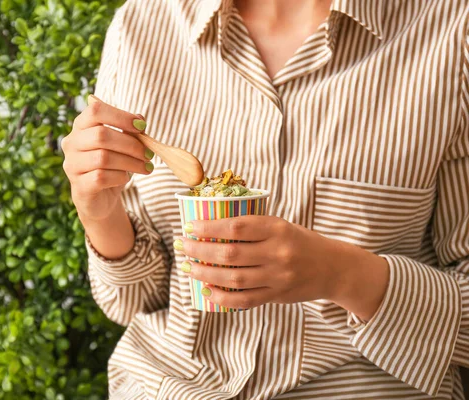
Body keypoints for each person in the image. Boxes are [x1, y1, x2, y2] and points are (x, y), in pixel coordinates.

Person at [61, 0, 469, 398]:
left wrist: (343, 275)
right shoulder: (142, 27)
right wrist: (100, 213)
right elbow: (133, 300)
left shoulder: (451, 30)